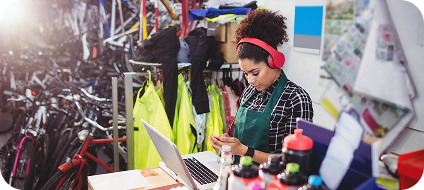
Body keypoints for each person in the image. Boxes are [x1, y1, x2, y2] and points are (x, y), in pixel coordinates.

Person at [209, 9, 314, 164]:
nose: (250, 80)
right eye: (245, 73)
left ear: (274, 61)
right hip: (239, 176)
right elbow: (239, 144)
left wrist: (243, 151)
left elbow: (294, 161)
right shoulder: (249, 93)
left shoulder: (296, 98)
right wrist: (227, 146)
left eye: (255, 72)